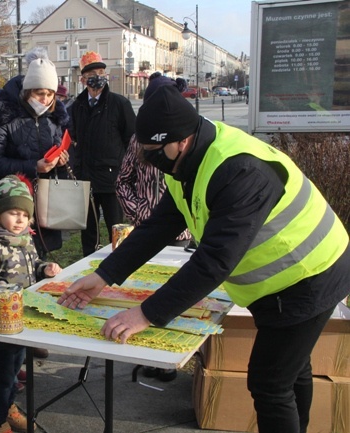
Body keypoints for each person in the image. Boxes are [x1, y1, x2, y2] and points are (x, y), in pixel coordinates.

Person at [58, 84, 350, 433]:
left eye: (153, 151)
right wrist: (104, 275)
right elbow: (162, 224)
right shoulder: (188, 158)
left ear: (179, 140)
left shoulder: (241, 172)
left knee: (270, 384)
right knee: (291, 369)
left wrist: (146, 313)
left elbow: (213, 261)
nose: (150, 158)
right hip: (282, 279)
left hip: (310, 274)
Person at [114, 73, 192, 383]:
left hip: (180, 236)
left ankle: (167, 355)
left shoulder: (189, 145)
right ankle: (148, 351)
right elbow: (122, 181)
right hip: (147, 228)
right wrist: (139, 214)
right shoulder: (140, 140)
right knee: (144, 291)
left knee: (174, 293)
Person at [0, 174, 62, 433]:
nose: (20, 219)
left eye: (24, 214)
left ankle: (8, 408)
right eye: (13, 213)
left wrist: (45, 268)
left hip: (21, 319)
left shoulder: (25, 240)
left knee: (14, 367)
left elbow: (33, 265)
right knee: (0, 374)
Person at [0, 47, 70, 262]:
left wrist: (61, 159)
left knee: (40, 262)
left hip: (44, 201)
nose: (46, 100)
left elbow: (59, 145)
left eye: (50, 94)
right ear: (27, 91)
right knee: (9, 263)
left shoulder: (53, 116)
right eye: (40, 93)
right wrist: (34, 166)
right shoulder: (3, 114)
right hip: (11, 203)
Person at [68, 51, 136, 257]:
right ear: (82, 79)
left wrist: (127, 172)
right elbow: (70, 139)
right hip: (85, 177)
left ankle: (120, 259)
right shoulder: (76, 106)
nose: (98, 76)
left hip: (112, 177)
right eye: (92, 73)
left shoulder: (119, 104)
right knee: (88, 228)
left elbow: (132, 140)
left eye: (101, 72)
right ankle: (89, 260)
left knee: (116, 224)